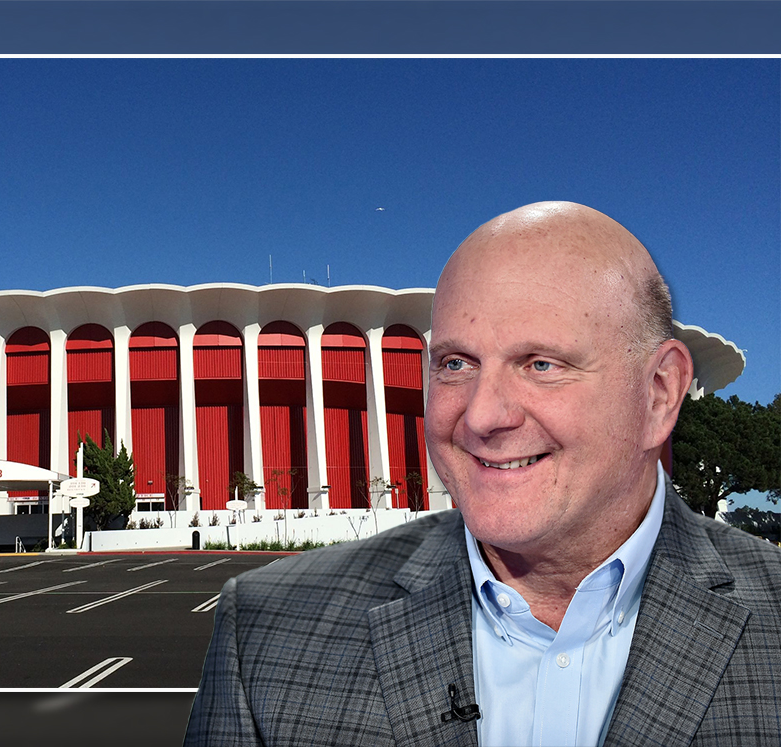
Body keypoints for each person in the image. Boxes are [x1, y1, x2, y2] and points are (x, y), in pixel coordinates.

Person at [184, 202, 781, 747]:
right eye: (454, 363)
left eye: (541, 363)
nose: (483, 415)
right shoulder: (269, 633)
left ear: (658, 395)